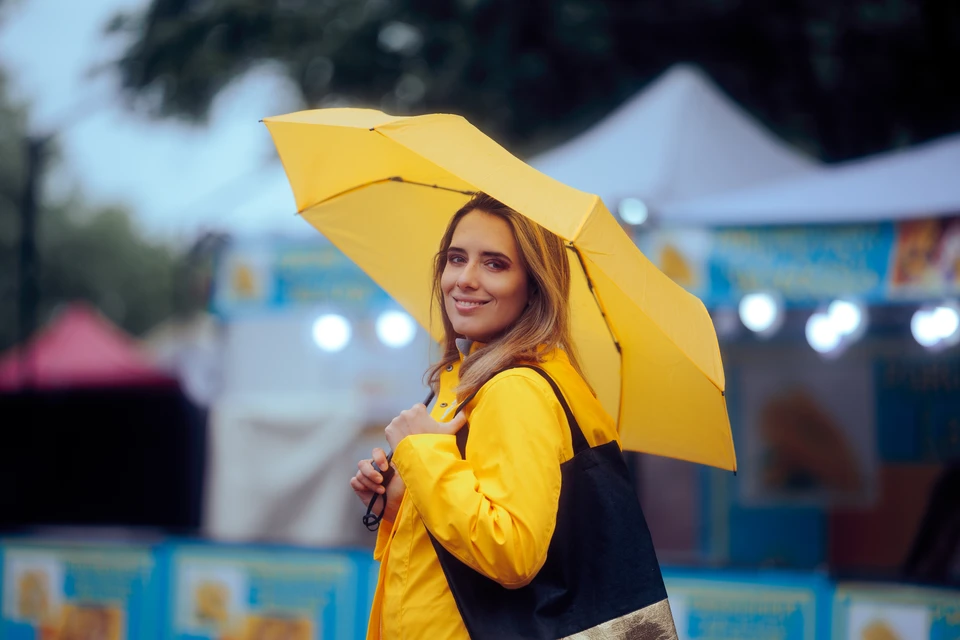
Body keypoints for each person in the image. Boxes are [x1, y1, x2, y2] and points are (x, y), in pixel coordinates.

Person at [350, 193, 620, 639]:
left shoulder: (517, 388)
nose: (465, 280)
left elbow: (512, 551)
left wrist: (422, 455)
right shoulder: (472, 379)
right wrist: (405, 500)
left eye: (495, 264)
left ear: (535, 284)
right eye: (456, 259)